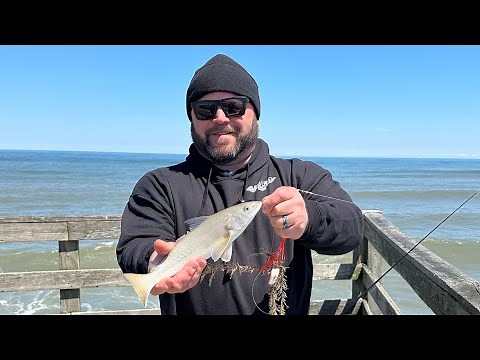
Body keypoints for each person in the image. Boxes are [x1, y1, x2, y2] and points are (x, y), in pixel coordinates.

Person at [116, 53, 364, 315]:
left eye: (233, 106)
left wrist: (310, 219)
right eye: (205, 110)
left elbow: (351, 227)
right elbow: (134, 244)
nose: (220, 118)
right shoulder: (159, 184)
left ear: (255, 113)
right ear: (191, 117)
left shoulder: (298, 174)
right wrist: (154, 260)